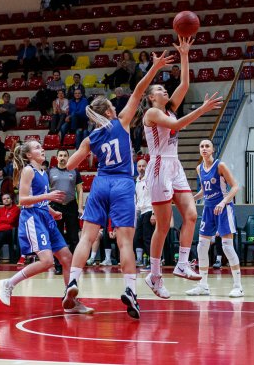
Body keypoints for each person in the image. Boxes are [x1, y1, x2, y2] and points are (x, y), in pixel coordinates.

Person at [64, 49, 175, 319]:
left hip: (100, 183)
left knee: (87, 237)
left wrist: (88, 149)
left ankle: (73, 281)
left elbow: (69, 166)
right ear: (111, 110)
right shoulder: (122, 121)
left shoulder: (92, 137)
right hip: (123, 183)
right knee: (125, 242)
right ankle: (129, 290)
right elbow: (138, 91)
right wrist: (154, 67)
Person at [140, 37, 223, 299]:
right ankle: (154, 275)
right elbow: (175, 127)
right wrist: (203, 109)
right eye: (160, 90)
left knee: (191, 215)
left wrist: (185, 54)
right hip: (158, 166)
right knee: (163, 226)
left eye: (166, 89)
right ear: (151, 97)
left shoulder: (171, 108)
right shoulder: (152, 114)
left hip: (174, 164)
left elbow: (185, 83)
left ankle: (182, 262)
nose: (165, 91)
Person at [0, 141, 93, 315]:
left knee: (67, 259)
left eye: (41, 146)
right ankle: (9, 283)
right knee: (47, 261)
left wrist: (51, 210)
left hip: (45, 217)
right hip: (33, 218)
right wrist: (48, 196)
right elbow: (23, 200)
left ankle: (71, 301)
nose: (42, 149)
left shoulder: (43, 172)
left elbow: (39, 199)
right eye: (37, 148)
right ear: (28, 155)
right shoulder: (28, 171)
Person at [187, 139, 243, 297]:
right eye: (202, 146)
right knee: (201, 246)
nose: (204, 149)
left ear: (212, 150)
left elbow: (235, 186)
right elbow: (204, 192)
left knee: (227, 247)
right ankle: (203, 286)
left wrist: (223, 202)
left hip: (224, 208)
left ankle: (238, 286)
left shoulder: (220, 165)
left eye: (207, 146)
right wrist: (191, 198)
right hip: (208, 209)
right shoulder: (199, 168)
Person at [49, 149, 84, 275]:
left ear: (68, 157)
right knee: (57, 237)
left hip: (71, 206)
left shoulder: (74, 171)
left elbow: (80, 190)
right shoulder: (50, 171)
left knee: (74, 237)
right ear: (57, 157)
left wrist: (80, 207)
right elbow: (44, 189)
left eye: (65, 155)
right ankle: (58, 265)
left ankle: (75, 265)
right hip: (55, 207)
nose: (62, 157)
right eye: (60, 155)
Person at [134, 159, 155, 271]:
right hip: (141, 212)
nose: (141, 168)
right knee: (137, 238)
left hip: (149, 211)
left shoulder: (150, 180)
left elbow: (155, 196)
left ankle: (153, 264)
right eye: (139, 166)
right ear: (137, 167)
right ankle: (142, 260)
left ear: (147, 167)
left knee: (148, 239)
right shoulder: (137, 181)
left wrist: (154, 213)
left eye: (143, 166)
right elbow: (138, 199)